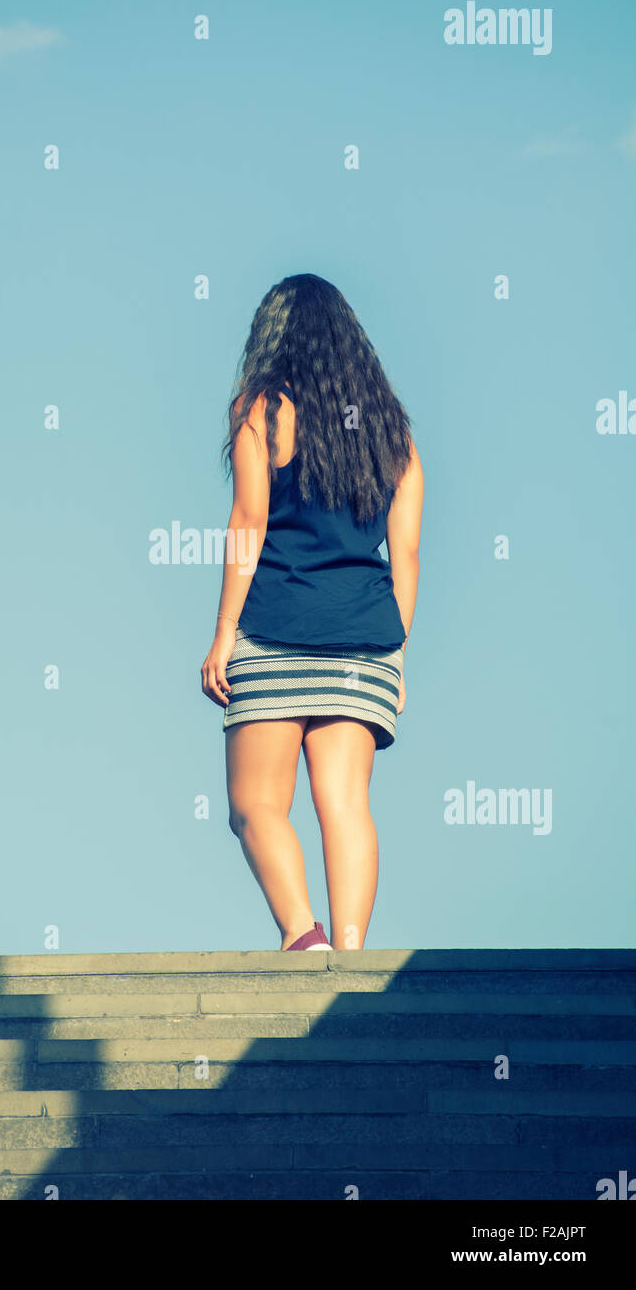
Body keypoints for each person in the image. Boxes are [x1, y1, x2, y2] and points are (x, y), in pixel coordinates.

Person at [201, 273, 423, 952]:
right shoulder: (392, 431)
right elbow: (405, 553)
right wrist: (399, 659)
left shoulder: (262, 411)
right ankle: (352, 955)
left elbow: (249, 522)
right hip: (366, 641)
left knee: (257, 805)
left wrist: (221, 638)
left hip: (274, 630)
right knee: (346, 803)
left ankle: (305, 936)